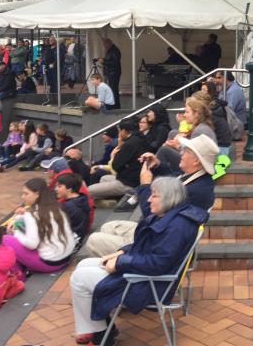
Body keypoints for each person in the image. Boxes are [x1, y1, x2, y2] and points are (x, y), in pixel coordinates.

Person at [70, 178, 207, 346]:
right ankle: (102, 328)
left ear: (169, 197)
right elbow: (148, 249)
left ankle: (100, 335)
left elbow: (158, 263)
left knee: (79, 278)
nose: (149, 199)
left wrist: (121, 262)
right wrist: (122, 252)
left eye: (154, 196)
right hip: (143, 275)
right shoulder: (171, 217)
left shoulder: (176, 226)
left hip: (150, 285)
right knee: (83, 265)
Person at [85, 135, 218, 259]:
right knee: (108, 227)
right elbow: (173, 178)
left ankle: (117, 274)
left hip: (155, 243)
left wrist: (145, 186)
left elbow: (153, 213)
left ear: (196, 161)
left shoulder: (196, 190)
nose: (181, 154)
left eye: (186, 151)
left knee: (93, 240)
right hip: (155, 233)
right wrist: (157, 165)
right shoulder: (196, 179)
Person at [2, 178, 76, 276]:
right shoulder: (56, 206)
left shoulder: (32, 215)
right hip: (65, 258)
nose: (23, 197)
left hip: (49, 263)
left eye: (26, 194)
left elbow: (32, 244)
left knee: (5, 239)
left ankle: (19, 275)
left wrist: (15, 232)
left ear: (37, 194)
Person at [154, 96, 217, 174]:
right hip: (199, 162)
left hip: (200, 167)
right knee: (173, 133)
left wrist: (176, 145)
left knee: (164, 150)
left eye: (187, 112)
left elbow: (193, 155)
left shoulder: (200, 130)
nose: (184, 115)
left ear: (196, 114)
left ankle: (153, 170)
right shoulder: (200, 126)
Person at [87, 119, 146, 200]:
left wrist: (115, 152)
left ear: (124, 131)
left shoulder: (129, 144)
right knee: (104, 178)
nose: (119, 133)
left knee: (89, 190)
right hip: (132, 179)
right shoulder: (139, 139)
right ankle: (111, 202)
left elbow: (115, 166)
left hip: (128, 183)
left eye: (119, 130)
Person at [54, 172, 91, 248]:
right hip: (78, 237)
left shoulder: (68, 206)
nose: (56, 189)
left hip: (70, 243)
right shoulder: (82, 198)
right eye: (56, 186)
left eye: (59, 186)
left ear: (69, 189)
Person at [197, 84, 232, 155]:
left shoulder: (211, 113)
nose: (202, 91)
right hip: (221, 143)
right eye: (201, 89)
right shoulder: (214, 107)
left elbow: (202, 132)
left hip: (221, 146)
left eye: (204, 90)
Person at [102, 38, 121, 109]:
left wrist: (103, 62)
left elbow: (114, 63)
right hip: (111, 73)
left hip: (114, 73)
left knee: (114, 90)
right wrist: (103, 60)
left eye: (104, 45)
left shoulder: (114, 51)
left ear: (108, 43)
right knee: (112, 89)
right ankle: (114, 105)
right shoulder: (110, 50)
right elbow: (110, 60)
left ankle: (115, 106)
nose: (104, 46)